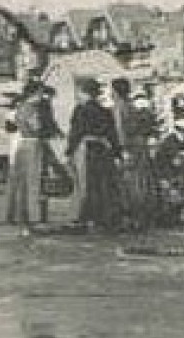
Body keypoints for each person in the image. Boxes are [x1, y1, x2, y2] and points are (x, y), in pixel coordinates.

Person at [66, 78, 123, 231]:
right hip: (103, 149)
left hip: (85, 148)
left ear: (84, 92)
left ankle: (85, 217)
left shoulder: (80, 110)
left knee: (86, 184)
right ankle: (103, 218)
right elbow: (113, 134)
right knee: (103, 183)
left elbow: (75, 132)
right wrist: (118, 153)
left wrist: (69, 151)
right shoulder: (105, 111)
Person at [5, 79, 61, 234]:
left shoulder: (21, 107)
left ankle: (22, 217)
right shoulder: (32, 109)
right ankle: (34, 219)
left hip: (23, 145)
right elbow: (37, 128)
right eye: (40, 92)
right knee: (35, 182)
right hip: (35, 145)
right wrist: (51, 133)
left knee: (22, 183)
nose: (42, 95)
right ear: (35, 92)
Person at [109, 77, 161, 232]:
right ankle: (143, 216)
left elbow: (120, 130)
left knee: (130, 183)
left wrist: (121, 149)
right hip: (139, 145)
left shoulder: (119, 107)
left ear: (115, 91)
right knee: (142, 181)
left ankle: (133, 217)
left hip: (130, 147)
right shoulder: (131, 105)